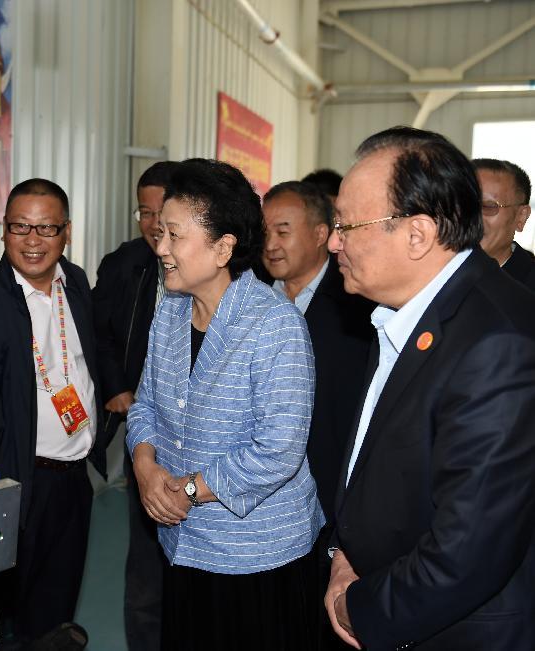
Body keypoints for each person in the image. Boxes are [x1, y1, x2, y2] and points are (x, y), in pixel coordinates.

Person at [324, 127, 535, 650]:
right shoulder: (407, 312)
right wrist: (346, 557)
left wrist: (359, 606)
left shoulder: (497, 341)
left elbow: (471, 551)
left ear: (417, 234)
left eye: (347, 224)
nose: (333, 241)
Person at [127, 158, 323, 651]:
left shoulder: (274, 325)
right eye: (159, 232)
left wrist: (187, 490)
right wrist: (145, 467)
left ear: (223, 248)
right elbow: (145, 403)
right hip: (185, 545)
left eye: (174, 235)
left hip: (258, 555)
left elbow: (278, 449)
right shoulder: (171, 310)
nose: (161, 247)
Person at [0, 179, 106, 646]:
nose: (33, 241)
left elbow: (89, 364)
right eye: (20, 227)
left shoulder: (74, 283)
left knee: (57, 613)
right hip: (20, 487)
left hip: (75, 481)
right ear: (3, 231)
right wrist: (3, 495)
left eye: (46, 228)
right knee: (9, 618)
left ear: (67, 232)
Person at [262, 180, 374, 650]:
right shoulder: (248, 301)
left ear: (322, 234)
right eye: (263, 230)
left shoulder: (358, 307)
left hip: (328, 503)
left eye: (283, 230)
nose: (270, 244)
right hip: (256, 503)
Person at [92, 160, 177, 651]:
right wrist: (116, 385)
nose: (151, 224)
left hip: (198, 437)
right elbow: (101, 335)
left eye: (160, 211)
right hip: (142, 428)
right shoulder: (123, 263)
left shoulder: (212, 269)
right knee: (144, 554)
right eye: (142, 212)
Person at [471, 158, 534, 290]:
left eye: (488, 206)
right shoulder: (430, 272)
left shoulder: (528, 291)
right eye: (463, 203)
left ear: (521, 217)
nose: (471, 216)